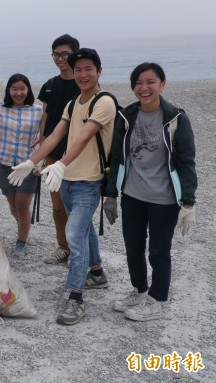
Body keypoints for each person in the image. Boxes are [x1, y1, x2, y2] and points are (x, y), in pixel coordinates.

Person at [7, 48, 115, 325]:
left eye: (88, 69)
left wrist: (62, 163)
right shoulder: (73, 103)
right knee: (85, 228)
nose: (82, 74)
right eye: (78, 69)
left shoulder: (104, 102)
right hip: (66, 181)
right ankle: (97, 272)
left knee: (75, 237)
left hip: (88, 184)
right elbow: (56, 134)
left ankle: (76, 297)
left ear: (99, 71)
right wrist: (32, 162)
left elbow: (84, 137)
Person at [104, 62, 197, 321]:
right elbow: (117, 158)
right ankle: (139, 290)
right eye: (138, 83)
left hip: (164, 199)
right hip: (132, 195)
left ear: (162, 84)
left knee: (158, 251)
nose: (144, 88)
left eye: (150, 82)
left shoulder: (176, 118)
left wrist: (188, 203)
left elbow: (187, 161)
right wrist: (111, 195)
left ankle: (156, 300)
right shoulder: (127, 116)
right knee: (133, 248)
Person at [0, 74, 42, 257]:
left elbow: (50, 133)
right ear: (9, 91)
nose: (18, 93)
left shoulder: (38, 111)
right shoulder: (1, 109)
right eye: (14, 89)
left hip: (27, 167)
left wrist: (41, 160)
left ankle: (21, 241)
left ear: (28, 90)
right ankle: (24, 229)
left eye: (22, 89)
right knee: (13, 206)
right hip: (5, 165)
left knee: (22, 206)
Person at [35, 34, 81, 264]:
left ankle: (79, 250)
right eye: (56, 54)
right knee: (57, 206)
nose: (60, 58)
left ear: (75, 55)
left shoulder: (84, 83)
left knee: (78, 205)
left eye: (65, 54)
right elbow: (45, 116)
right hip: (53, 154)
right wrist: (43, 146)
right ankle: (63, 247)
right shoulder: (50, 85)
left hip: (78, 155)